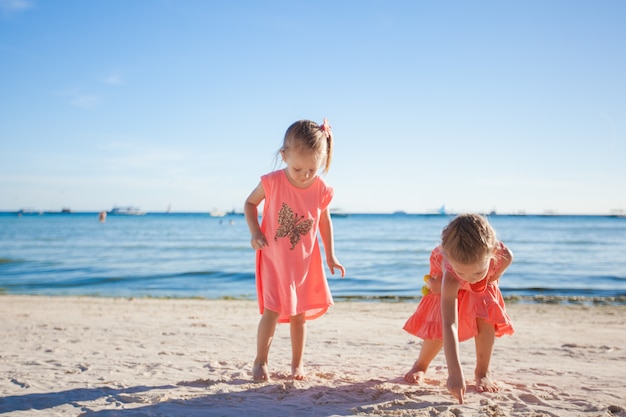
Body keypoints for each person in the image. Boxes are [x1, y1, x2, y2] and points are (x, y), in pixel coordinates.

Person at [244, 118, 345, 382]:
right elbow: (250, 204)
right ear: (284, 156)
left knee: (299, 315)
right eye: (299, 168)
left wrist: (331, 255)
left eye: (313, 169)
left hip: (305, 261)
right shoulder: (272, 182)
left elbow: (324, 220)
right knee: (273, 310)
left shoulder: (321, 188)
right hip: (275, 259)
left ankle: (297, 365)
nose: (305, 175)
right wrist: (255, 231)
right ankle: (260, 362)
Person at [403, 213, 514, 404]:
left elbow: (498, 270)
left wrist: (486, 279)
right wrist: (454, 373)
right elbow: (449, 324)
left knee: (486, 315)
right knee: (438, 323)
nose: (471, 277)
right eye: (463, 271)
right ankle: (420, 365)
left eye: (477, 271)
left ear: (494, 252)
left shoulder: (504, 256)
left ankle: (482, 371)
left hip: (483, 285)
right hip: (447, 284)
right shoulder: (451, 272)